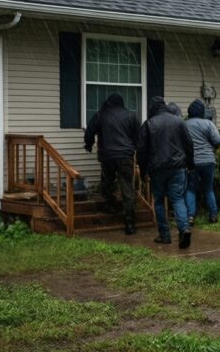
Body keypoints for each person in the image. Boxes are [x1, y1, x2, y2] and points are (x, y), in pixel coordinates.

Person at [137, 96, 195, 249]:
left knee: (159, 201)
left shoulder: (149, 124)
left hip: (158, 169)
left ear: (153, 108)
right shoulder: (178, 121)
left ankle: (165, 235)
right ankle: (184, 228)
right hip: (178, 167)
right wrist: (190, 164)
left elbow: (141, 151)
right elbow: (189, 144)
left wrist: (143, 172)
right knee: (177, 199)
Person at [83, 93, 141, 234]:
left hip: (107, 156)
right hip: (126, 156)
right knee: (127, 186)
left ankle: (110, 205)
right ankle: (129, 223)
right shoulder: (131, 115)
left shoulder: (101, 115)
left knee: (107, 182)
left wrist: (89, 144)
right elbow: (139, 136)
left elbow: (90, 130)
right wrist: (134, 149)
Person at [185, 99, 220, 225]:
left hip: (192, 162)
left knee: (191, 188)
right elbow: (217, 141)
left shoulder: (185, 125)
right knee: (208, 189)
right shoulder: (208, 124)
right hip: (208, 161)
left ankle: (190, 216)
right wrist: (210, 149)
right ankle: (213, 215)